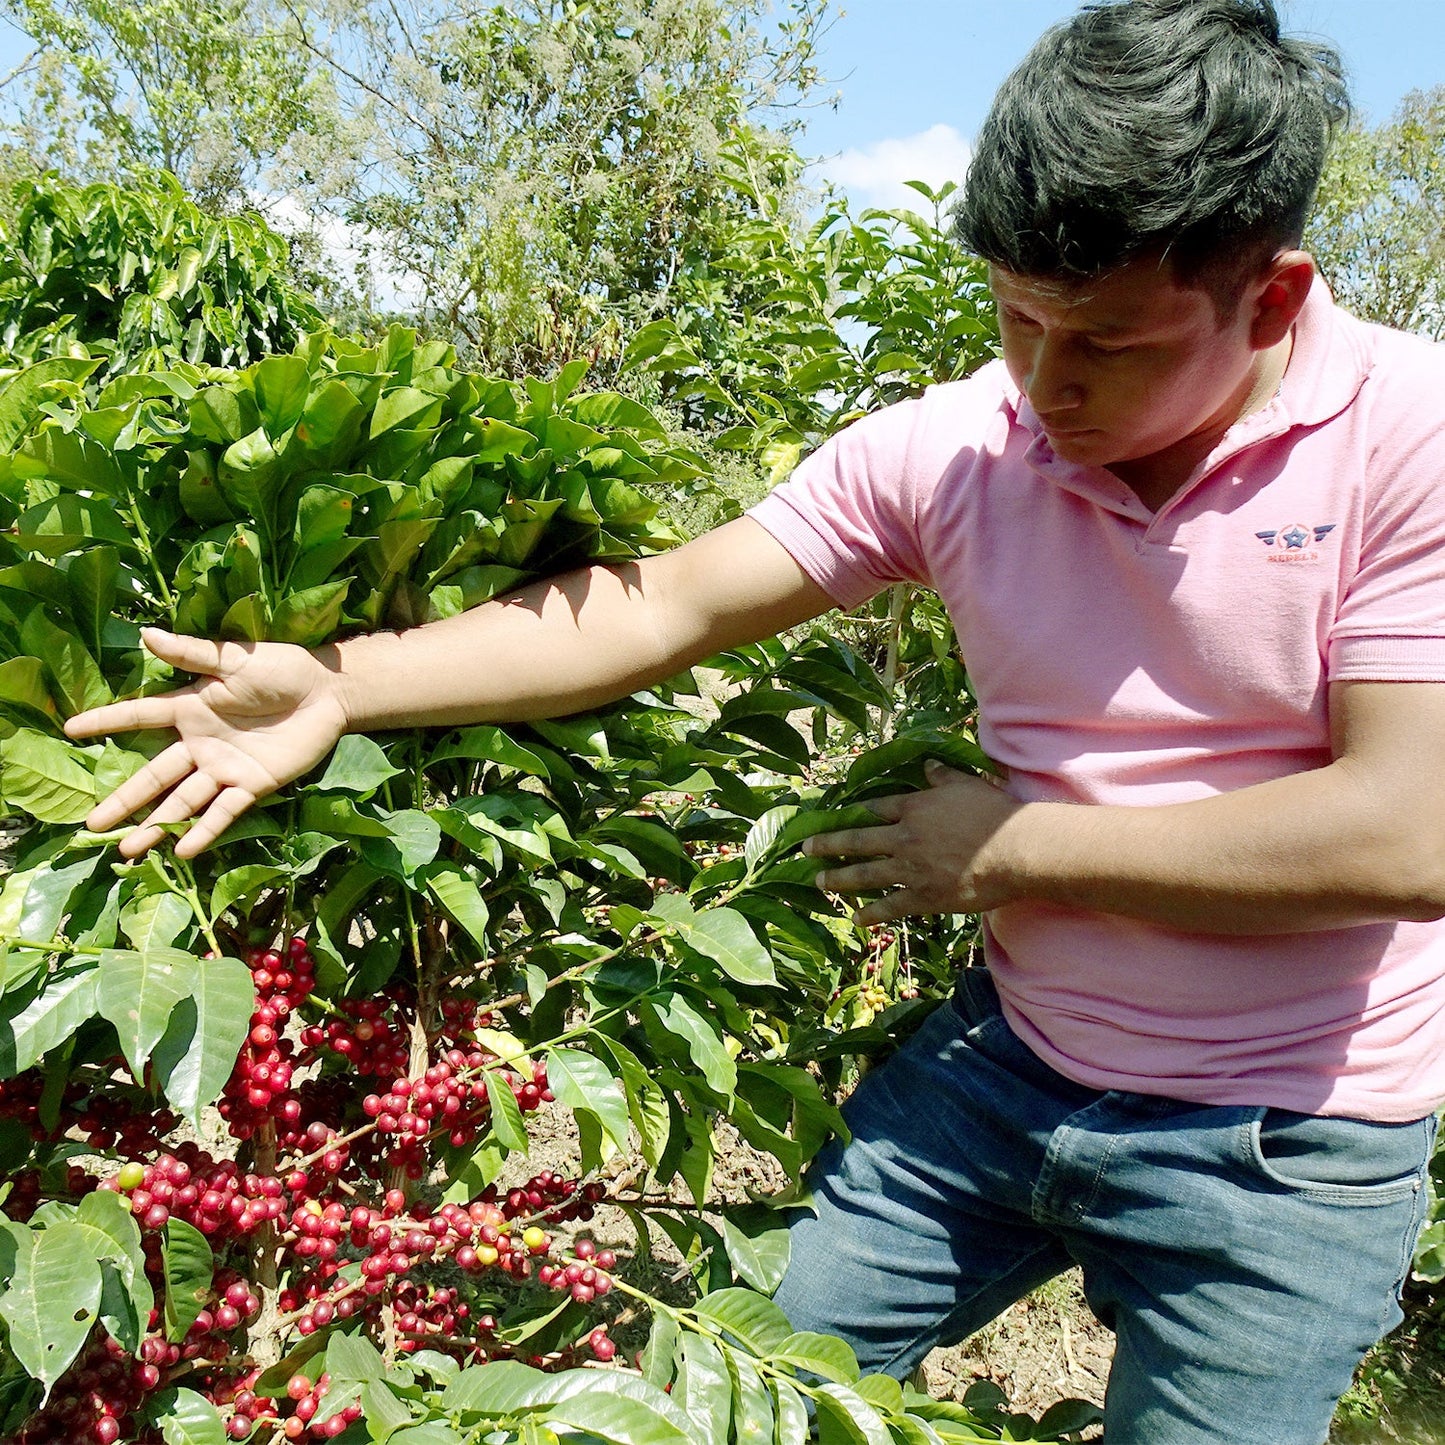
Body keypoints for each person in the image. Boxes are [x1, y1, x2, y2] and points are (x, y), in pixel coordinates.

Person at [66, 1, 1445, 1440]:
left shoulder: (1409, 438)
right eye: (1015, 315)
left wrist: (1019, 849)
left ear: (1271, 301)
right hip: (1007, 1066)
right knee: (734, 1404)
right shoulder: (962, 444)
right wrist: (344, 682)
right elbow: (662, 607)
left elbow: (1407, 829)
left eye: (1104, 339)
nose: (1044, 383)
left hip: (1288, 1143)